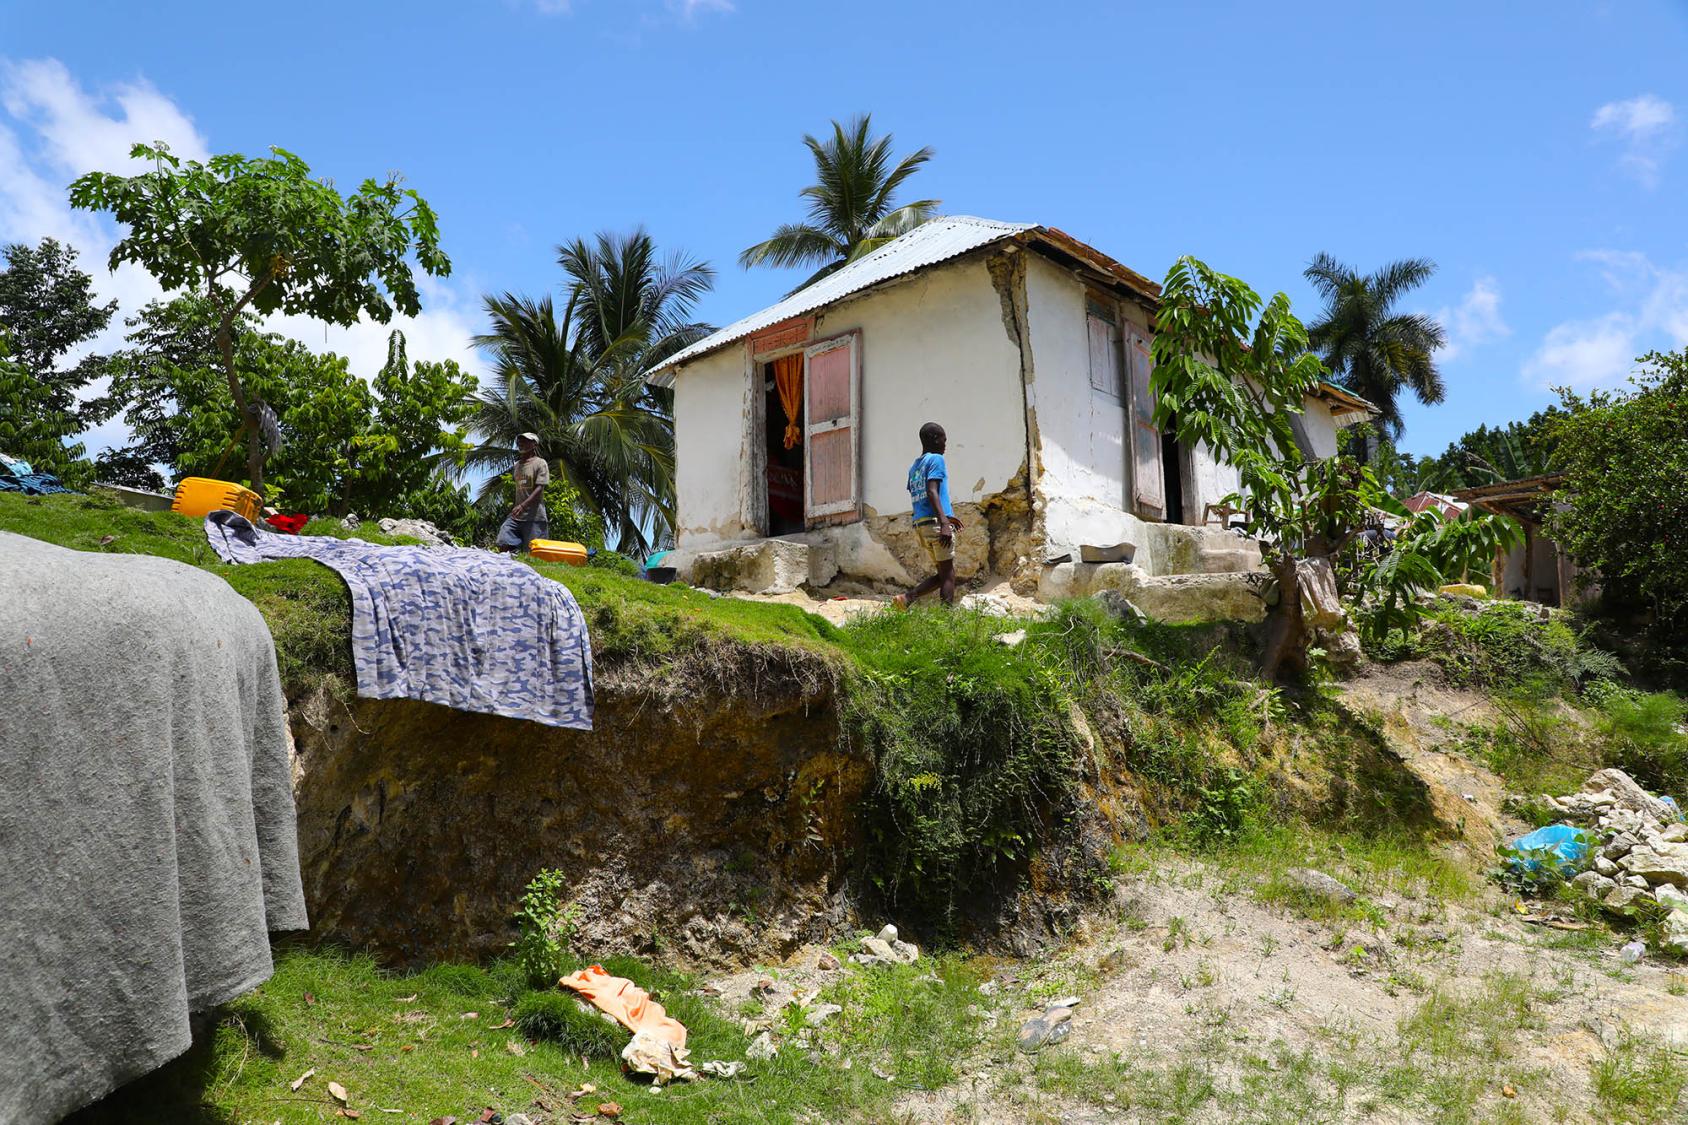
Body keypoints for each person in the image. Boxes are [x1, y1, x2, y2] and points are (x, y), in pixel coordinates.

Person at [893, 421, 962, 608]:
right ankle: (946, 620)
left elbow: (919, 496)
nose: (945, 444)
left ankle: (906, 599)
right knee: (948, 575)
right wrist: (944, 523)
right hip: (936, 525)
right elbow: (932, 491)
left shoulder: (914, 467)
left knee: (942, 572)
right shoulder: (936, 460)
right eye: (943, 439)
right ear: (934, 439)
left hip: (922, 524)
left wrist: (946, 516)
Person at [496, 432, 550, 553]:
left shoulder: (540, 463)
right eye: (519, 442)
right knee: (504, 537)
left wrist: (522, 505)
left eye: (525, 441)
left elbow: (539, 488)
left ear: (534, 445)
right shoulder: (517, 466)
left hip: (535, 517)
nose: (521, 444)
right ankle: (506, 563)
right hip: (517, 516)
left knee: (534, 551)